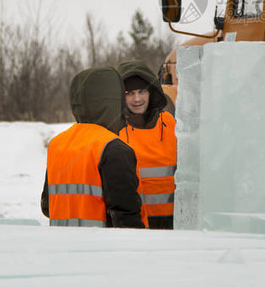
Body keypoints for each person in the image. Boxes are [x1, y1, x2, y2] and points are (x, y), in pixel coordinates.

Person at [41, 66, 147, 228]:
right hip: (103, 249)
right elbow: (126, 218)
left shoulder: (57, 144)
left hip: (61, 247)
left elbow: (47, 207)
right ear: (113, 103)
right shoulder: (113, 149)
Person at [117, 59, 177, 230]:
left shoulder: (170, 122)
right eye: (129, 93)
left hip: (174, 224)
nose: (137, 99)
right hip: (134, 225)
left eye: (142, 91)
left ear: (151, 92)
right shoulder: (115, 129)